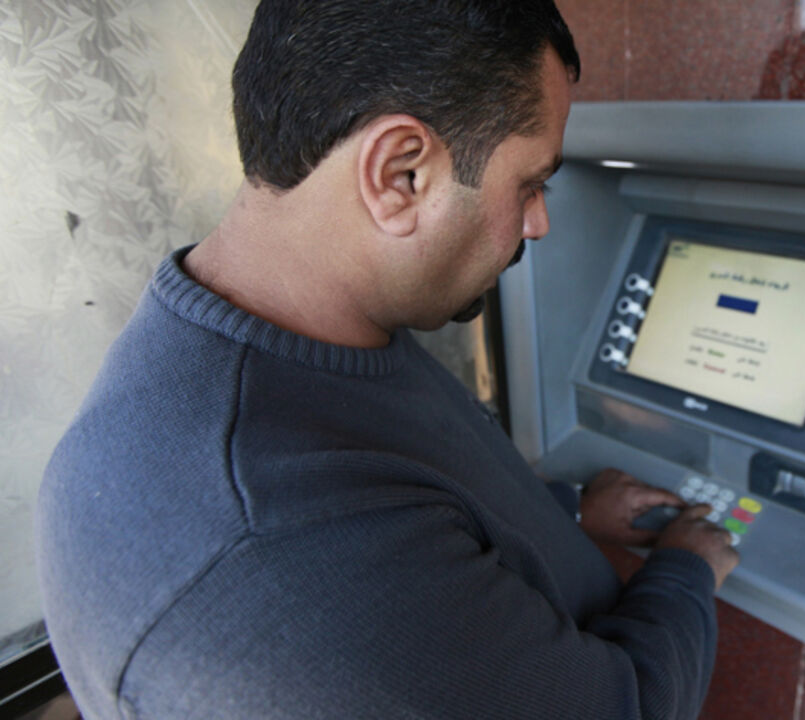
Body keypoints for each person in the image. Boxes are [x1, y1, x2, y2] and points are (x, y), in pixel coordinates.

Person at [35, 1, 738, 718]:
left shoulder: (292, 338)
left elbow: (418, 496)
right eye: (528, 183)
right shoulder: (283, 563)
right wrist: (687, 567)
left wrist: (568, 514)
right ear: (400, 172)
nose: (539, 223)